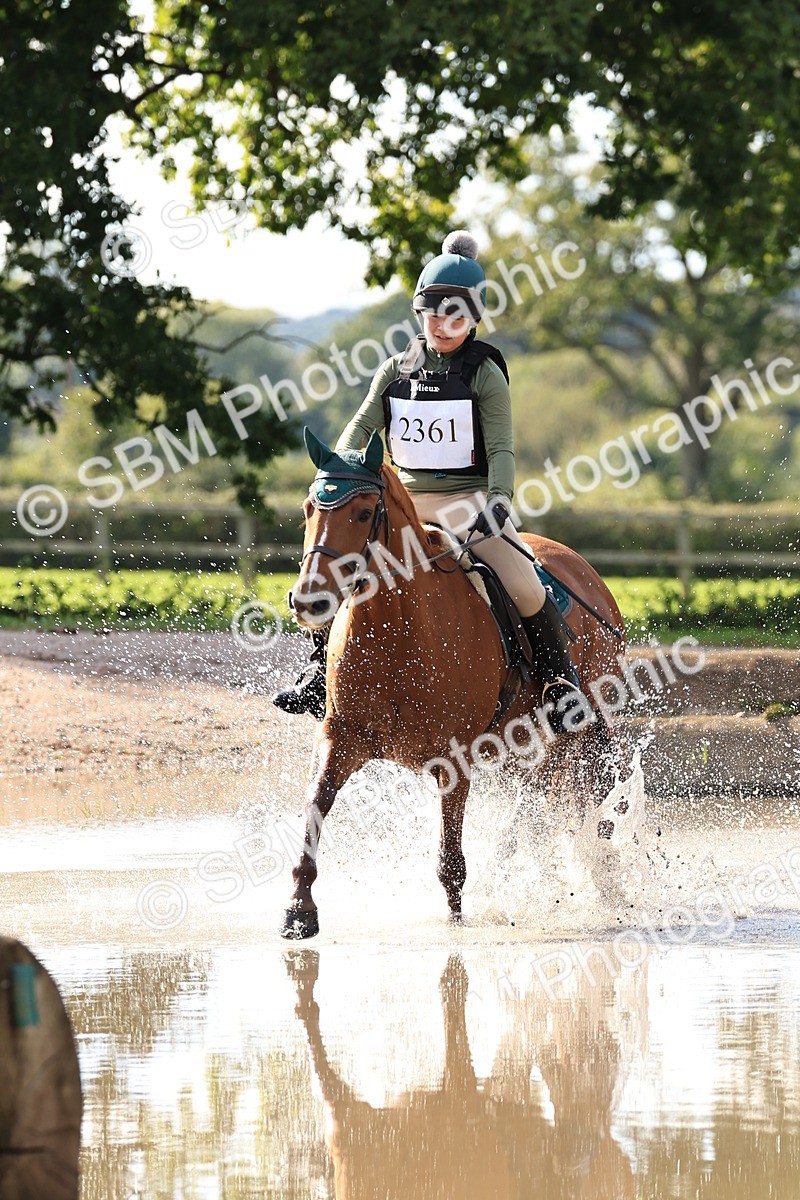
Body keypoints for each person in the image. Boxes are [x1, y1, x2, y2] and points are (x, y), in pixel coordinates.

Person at [273, 230, 585, 731]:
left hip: (470, 502)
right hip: (405, 501)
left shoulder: (484, 373)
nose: (443, 325)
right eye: (433, 314)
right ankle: (317, 672)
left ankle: (559, 684)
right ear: (420, 313)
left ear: (474, 318)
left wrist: (500, 500)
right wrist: (343, 466)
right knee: (337, 559)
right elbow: (360, 425)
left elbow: (501, 447)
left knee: (525, 585)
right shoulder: (395, 371)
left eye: (456, 316)